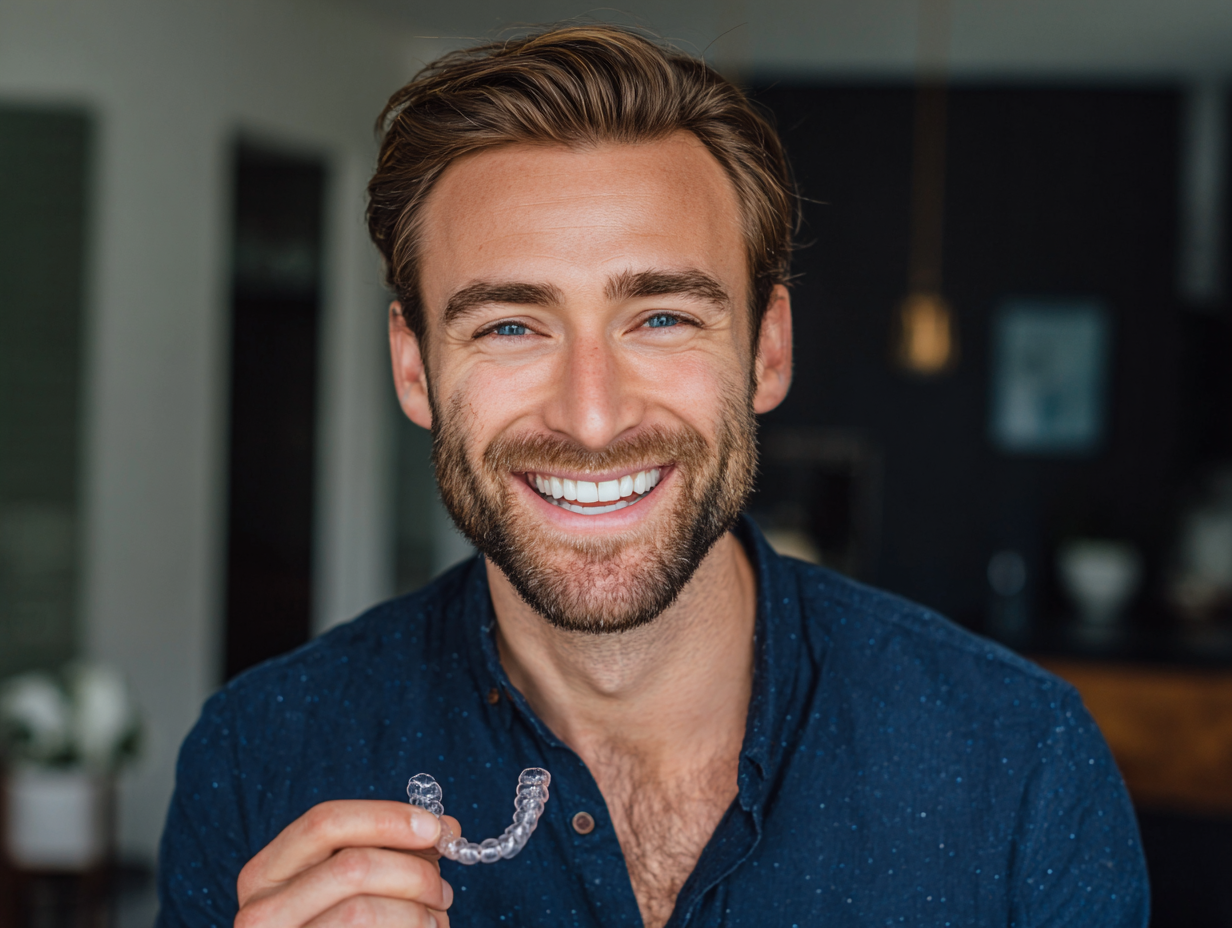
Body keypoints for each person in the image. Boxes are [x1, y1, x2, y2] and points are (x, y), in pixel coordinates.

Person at [157, 25, 1148, 928]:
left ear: (765, 349)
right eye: (509, 326)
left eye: (661, 317)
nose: (592, 415)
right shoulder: (256, 762)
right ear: (414, 367)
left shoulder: (1018, 762)